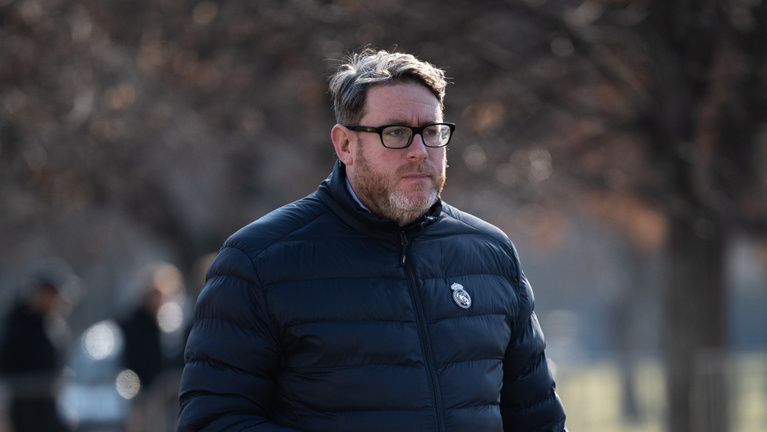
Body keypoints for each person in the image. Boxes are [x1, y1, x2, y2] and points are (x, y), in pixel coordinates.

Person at [177, 49, 567, 432]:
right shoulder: (258, 261)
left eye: (432, 132)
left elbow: (540, 421)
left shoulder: (491, 255)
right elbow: (212, 421)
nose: (419, 151)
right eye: (396, 132)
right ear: (345, 145)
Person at [0, 277, 70, 432]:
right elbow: (8, 362)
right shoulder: (19, 323)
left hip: (47, 405)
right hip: (25, 405)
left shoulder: (52, 325)